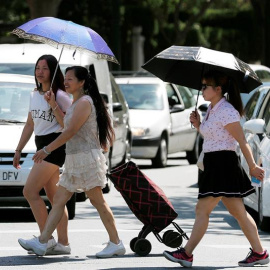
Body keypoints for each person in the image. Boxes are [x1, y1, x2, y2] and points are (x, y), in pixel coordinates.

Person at [163, 70, 269, 268]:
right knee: (238, 212)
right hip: (214, 163)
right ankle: (259, 252)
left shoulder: (227, 111)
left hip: (223, 165)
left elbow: (242, 141)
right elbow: (212, 135)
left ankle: (186, 254)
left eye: (205, 86)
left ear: (218, 89)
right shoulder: (213, 108)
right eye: (202, 86)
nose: (201, 90)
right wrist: (198, 125)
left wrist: (253, 166)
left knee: (202, 209)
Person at [18, 66, 126, 258]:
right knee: (59, 200)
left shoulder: (85, 102)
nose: (66, 82)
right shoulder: (77, 102)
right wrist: (53, 104)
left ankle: (116, 242)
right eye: (65, 78)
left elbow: (70, 131)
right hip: (75, 159)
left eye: (70, 79)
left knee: (97, 201)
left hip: (86, 159)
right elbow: (65, 123)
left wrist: (46, 149)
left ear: (82, 82)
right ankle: (44, 242)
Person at [14, 55, 72, 255]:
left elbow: (69, 127)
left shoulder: (61, 95)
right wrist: (18, 150)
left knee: (29, 192)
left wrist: (54, 104)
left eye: (45, 68)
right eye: (37, 67)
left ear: (53, 71)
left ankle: (45, 239)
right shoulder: (34, 94)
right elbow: (30, 124)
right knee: (55, 198)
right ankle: (63, 244)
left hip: (54, 147)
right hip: (40, 145)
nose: (39, 71)